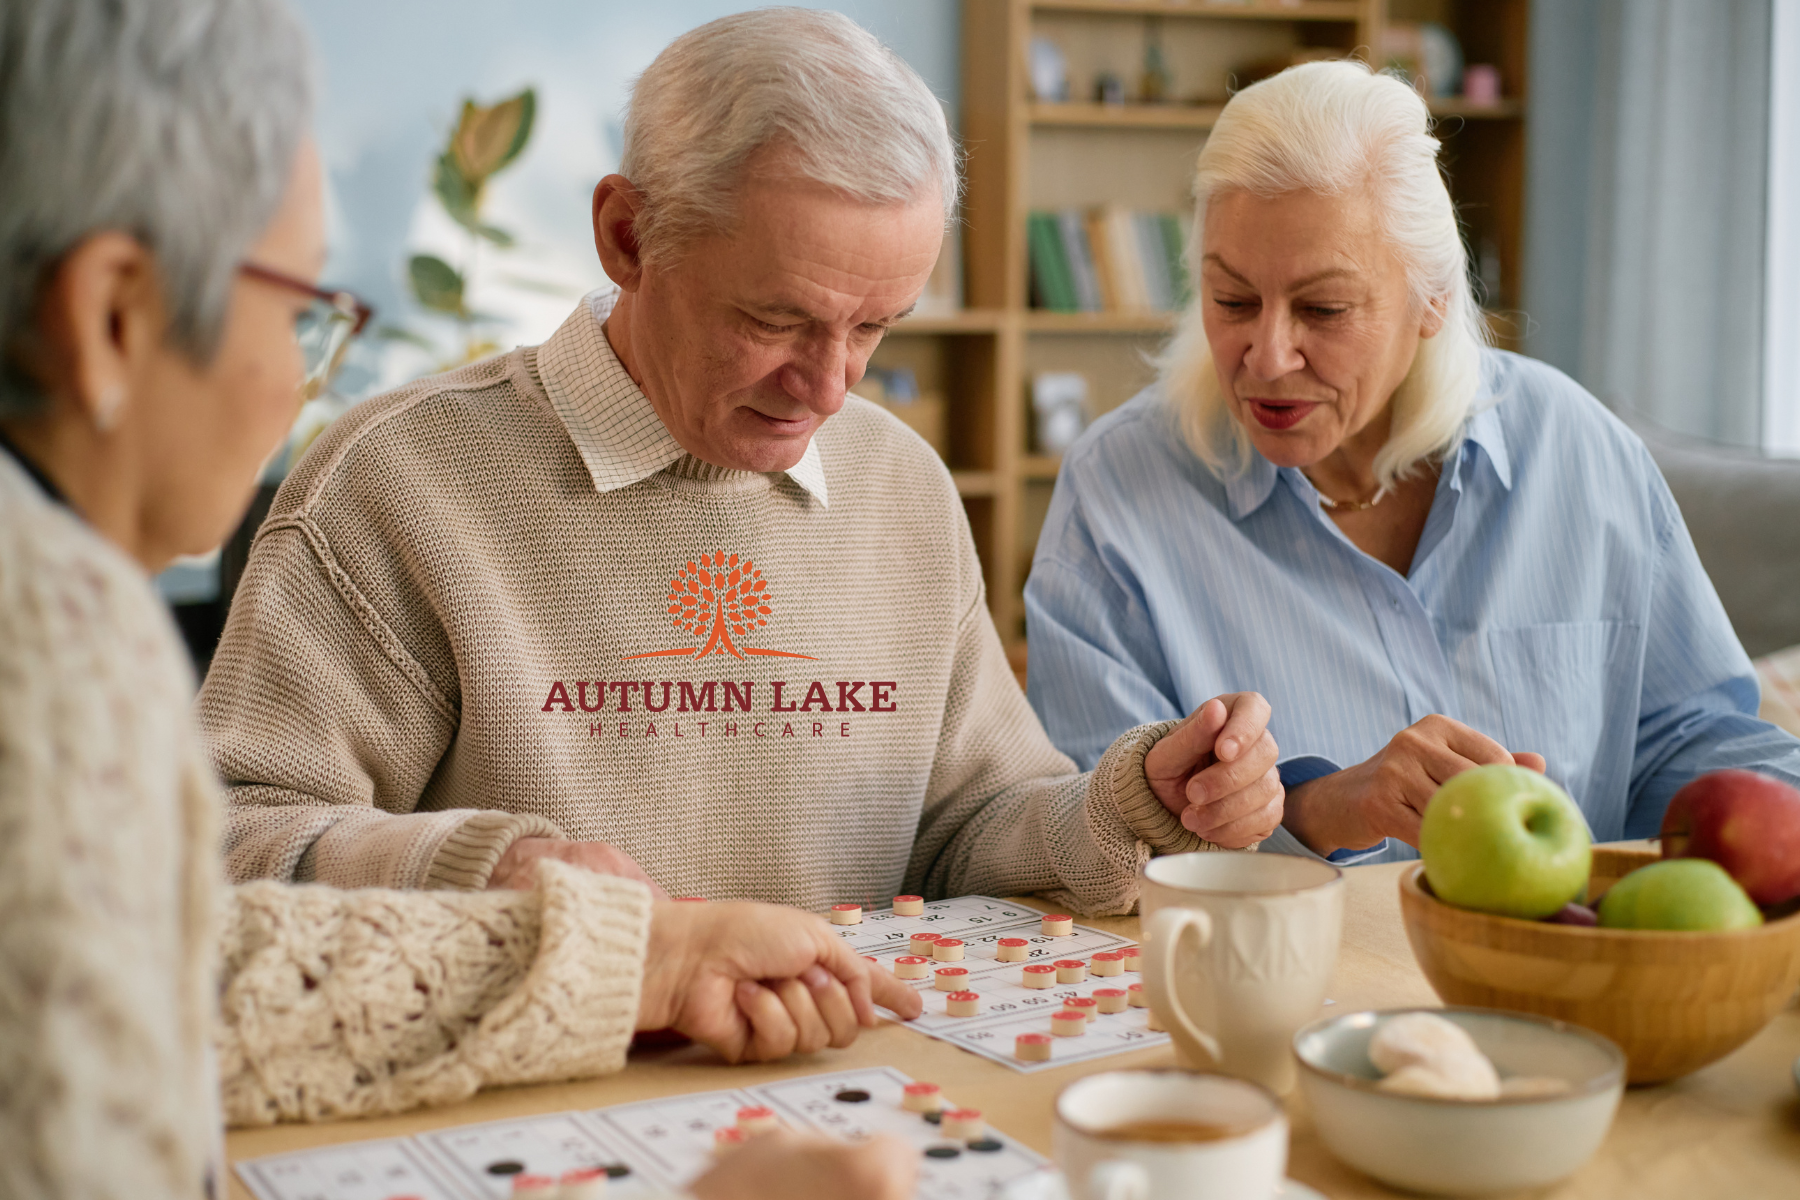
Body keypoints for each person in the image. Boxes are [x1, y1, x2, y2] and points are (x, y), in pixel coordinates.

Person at [0, 3, 922, 1197]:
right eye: (297, 313)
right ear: (112, 315)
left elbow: (183, 970)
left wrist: (643, 959)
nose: (301, 376)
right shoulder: (53, 640)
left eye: (875, 330)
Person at [198, 7, 1287, 914]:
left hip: (841, 1103)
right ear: (627, 238)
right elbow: (226, 845)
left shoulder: (900, 484)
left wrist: (1132, 800)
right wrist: (500, 876)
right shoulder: (397, 482)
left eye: (876, 327)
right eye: (776, 320)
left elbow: (967, 827)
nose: (828, 388)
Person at [1024, 60, 1800, 866]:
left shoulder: (1578, 450)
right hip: (1284, 987)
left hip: (1565, 976)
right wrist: (1318, 808)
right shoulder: (1115, 492)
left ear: (1431, 299)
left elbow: (1694, 739)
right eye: (1233, 300)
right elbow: (1099, 842)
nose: (1268, 353)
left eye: (1323, 309)